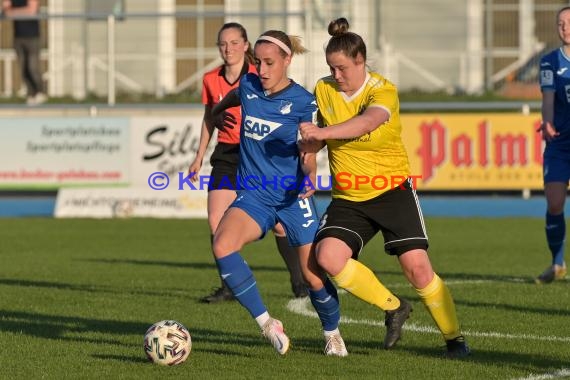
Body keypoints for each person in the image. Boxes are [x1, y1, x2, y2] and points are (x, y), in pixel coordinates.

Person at [300, 18, 470, 358]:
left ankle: (454, 339)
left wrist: (322, 134)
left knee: (418, 268)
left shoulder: (383, 90)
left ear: (361, 61)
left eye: (343, 68)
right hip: (349, 197)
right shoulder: (323, 89)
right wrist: (308, 167)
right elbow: (314, 140)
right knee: (327, 256)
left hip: (392, 190)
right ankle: (394, 308)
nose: (336, 75)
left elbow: (368, 121)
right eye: (332, 68)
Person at [210, 30, 349, 356]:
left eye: (270, 63)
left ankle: (332, 333)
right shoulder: (248, 85)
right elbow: (236, 95)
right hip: (255, 196)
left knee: (313, 277)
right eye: (257, 62)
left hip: (292, 198)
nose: (262, 70)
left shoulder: (303, 101)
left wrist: (309, 175)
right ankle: (267, 324)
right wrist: (219, 110)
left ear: (287, 60)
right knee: (222, 244)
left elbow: (309, 149)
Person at [188, 22, 307, 302]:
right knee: (215, 219)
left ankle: (297, 279)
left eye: (233, 43)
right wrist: (198, 157)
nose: (227, 49)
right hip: (227, 154)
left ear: (245, 46)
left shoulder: (258, 75)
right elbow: (210, 118)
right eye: (222, 44)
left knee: (279, 224)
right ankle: (229, 284)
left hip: (258, 154)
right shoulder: (210, 79)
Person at [535, 7, 570, 284]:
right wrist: (547, 123)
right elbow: (548, 100)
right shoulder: (549, 62)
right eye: (560, 24)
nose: (565, 28)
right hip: (560, 143)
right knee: (555, 202)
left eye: (568, 23)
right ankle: (557, 262)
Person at [1, 0, 46, 105]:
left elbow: (32, 10)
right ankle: (31, 93)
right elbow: (5, 9)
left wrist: (13, 12)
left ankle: (40, 92)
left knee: (32, 67)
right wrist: (10, 11)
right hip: (18, 37)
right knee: (23, 68)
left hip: (32, 37)